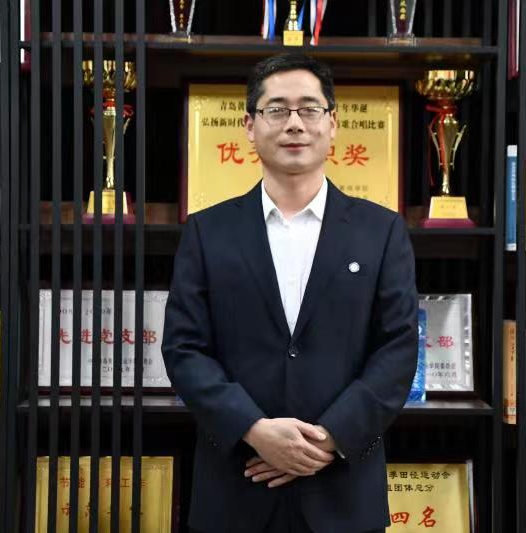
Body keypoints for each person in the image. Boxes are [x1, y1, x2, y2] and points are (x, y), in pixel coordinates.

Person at [162, 52, 418, 533]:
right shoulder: (207, 231)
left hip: (342, 492)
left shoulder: (381, 231)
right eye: (277, 110)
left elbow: (398, 350)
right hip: (237, 487)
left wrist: (326, 439)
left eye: (309, 109)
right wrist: (255, 430)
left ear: (333, 123)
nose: (294, 123)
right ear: (250, 126)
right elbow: (184, 349)